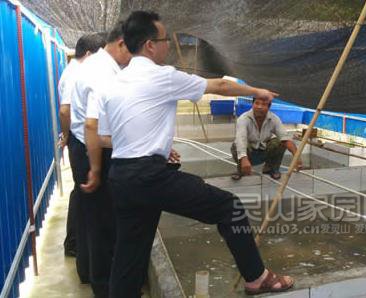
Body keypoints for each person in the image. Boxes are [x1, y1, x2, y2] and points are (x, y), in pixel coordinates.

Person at [100, 10, 294, 297]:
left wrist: (155, 149)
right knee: (230, 208)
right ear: (150, 45)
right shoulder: (161, 76)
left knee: (129, 254)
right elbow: (220, 85)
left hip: (121, 177)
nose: (169, 45)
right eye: (166, 39)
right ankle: (257, 277)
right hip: (149, 176)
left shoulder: (114, 83)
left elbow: (107, 136)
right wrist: (258, 90)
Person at [70, 22, 132, 297]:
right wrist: (96, 168)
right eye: (133, 50)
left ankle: (96, 278)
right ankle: (105, 288)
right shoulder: (103, 73)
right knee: (103, 224)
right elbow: (96, 130)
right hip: (93, 151)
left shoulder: (97, 66)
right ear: (121, 43)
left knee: (94, 220)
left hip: (87, 147)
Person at [58, 33, 105, 260]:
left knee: (82, 195)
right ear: (89, 54)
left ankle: (79, 251)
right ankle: (76, 246)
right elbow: (64, 110)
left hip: (78, 138)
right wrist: (67, 136)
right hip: (80, 140)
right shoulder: (76, 72)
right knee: (85, 198)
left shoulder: (73, 71)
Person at [231, 97, 302, 180]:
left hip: (263, 151)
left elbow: (285, 138)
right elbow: (241, 140)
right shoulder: (243, 119)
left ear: (269, 107)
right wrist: (244, 158)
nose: (259, 107)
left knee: (280, 142)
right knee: (236, 145)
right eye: (257, 103)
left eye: (264, 104)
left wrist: (297, 156)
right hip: (248, 153)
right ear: (252, 104)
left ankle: (270, 168)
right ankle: (241, 170)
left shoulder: (274, 119)